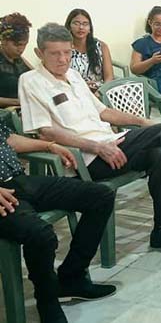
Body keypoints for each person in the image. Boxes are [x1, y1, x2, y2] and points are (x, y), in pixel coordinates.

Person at [19, 23, 161, 253]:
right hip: (87, 158)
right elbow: (46, 131)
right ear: (39, 53)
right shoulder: (31, 81)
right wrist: (97, 147)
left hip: (111, 144)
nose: (63, 59)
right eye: (55, 54)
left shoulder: (73, 76)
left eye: (67, 52)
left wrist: (141, 121)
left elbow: (104, 112)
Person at [0, 124, 116, 323]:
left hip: (19, 181)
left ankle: (72, 277)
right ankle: (47, 301)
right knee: (40, 234)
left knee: (101, 196)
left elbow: (8, 139)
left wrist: (49, 146)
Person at [64, 8, 113, 94]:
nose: (81, 27)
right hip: (73, 92)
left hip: (99, 92)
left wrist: (101, 93)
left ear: (90, 28)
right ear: (69, 27)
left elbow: (109, 77)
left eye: (85, 24)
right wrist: (81, 87)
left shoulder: (102, 46)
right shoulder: (63, 49)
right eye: (76, 23)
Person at [0, 13, 33, 108]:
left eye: (25, 44)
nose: (21, 49)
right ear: (4, 41)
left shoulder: (21, 60)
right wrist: (17, 102)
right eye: (17, 45)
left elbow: (38, 78)